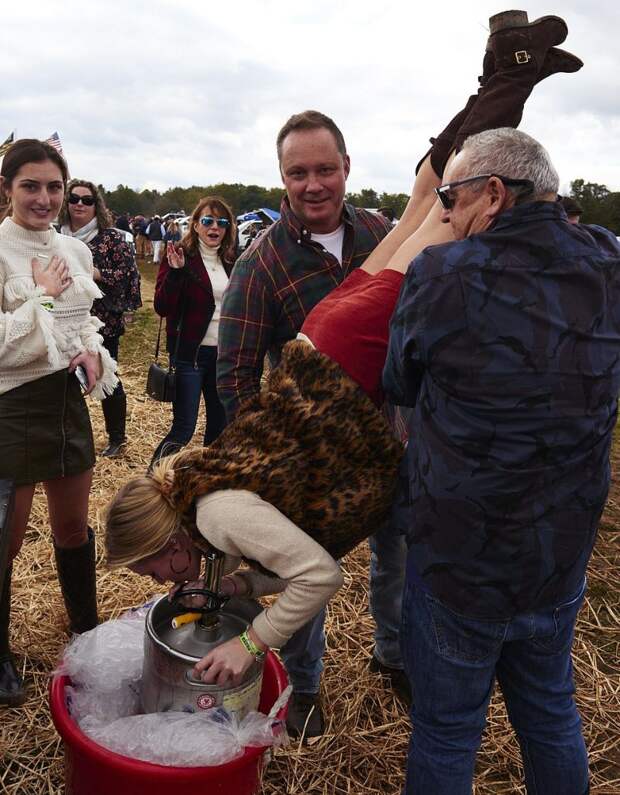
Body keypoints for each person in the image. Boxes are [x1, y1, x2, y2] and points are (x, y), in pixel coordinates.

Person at [383, 28, 608, 795]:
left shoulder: (444, 275)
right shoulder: (611, 263)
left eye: (451, 197)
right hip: (560, 551)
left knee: (448, 729)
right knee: (551, 711)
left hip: (459, 556)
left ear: (493, 194)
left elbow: (399, 380)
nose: (445, 212)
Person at [216, 107, 410, 735]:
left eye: (325, 169)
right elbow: (236, 374)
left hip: (397, 435)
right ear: (281, 176)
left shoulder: (382, 231)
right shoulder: (261, 264)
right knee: (303, 571)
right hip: (317, 458)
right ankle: (302, 686)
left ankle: (395, 654)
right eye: (298, 173)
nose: (313, 185)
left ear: (347, 168)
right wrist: (271, 466)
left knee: (399, 554)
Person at [0, 139, 118, 706]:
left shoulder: (76, 252)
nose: (45, 198)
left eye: (54, 187)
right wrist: (41, 299)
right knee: (8, 539)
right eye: (31, 186)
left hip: (64, 402)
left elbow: (83, 323)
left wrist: (91, 352)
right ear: (8, 190)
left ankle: (85, 633)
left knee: (73, 528)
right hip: (12, 404)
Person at [150, 197, 236, 468]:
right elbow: (162, 307)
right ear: (196, 225)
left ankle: (207, 485)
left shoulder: (233, 261)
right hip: (190, 357)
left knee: (218, 429)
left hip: (222, 358)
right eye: (208, 221)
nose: (215, 227)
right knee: (184, 429)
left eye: (222, 222)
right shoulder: (180, 257)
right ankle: (151, 481)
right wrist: (175, 274)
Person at [59, 179, 142, 458]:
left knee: (108, 378)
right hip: (61, 322)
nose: (79, 204)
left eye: (87, 200)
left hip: (102, 321)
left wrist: (96, 273)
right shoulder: (55, 236)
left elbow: (129, 276)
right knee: (63, 383)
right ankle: (64, 437)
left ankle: (117, 438)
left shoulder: (112, 238)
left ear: (97, 205)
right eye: (74, 199)